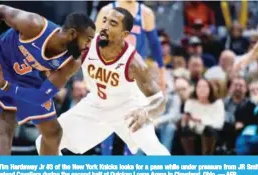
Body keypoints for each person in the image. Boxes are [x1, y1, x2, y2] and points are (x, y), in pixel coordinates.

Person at [0, 5, 95, 155]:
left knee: (54, 132)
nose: (88, 46)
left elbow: (41, 96)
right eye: (87, 40)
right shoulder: (34, 25)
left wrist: (5, 86)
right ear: (72, 34)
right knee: (6, 127)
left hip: (27, 75)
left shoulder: (71, 62)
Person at [35, 7, 170, 155]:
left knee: (156, 151)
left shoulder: (134, 63)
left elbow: (159, 101)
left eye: (112, 23)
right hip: (96, 105)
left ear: (124, 34)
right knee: (45, 141)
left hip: (129, 109)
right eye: (104, 20)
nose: (104, 26)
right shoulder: (86, 44)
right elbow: (63, 68)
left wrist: (146, 112)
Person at [95, 0, 165, 90]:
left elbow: (155, 44)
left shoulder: (145, 13)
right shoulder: (107, 11)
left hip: (136, 73)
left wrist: (162, 73)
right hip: (111, 71)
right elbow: (94, 43)